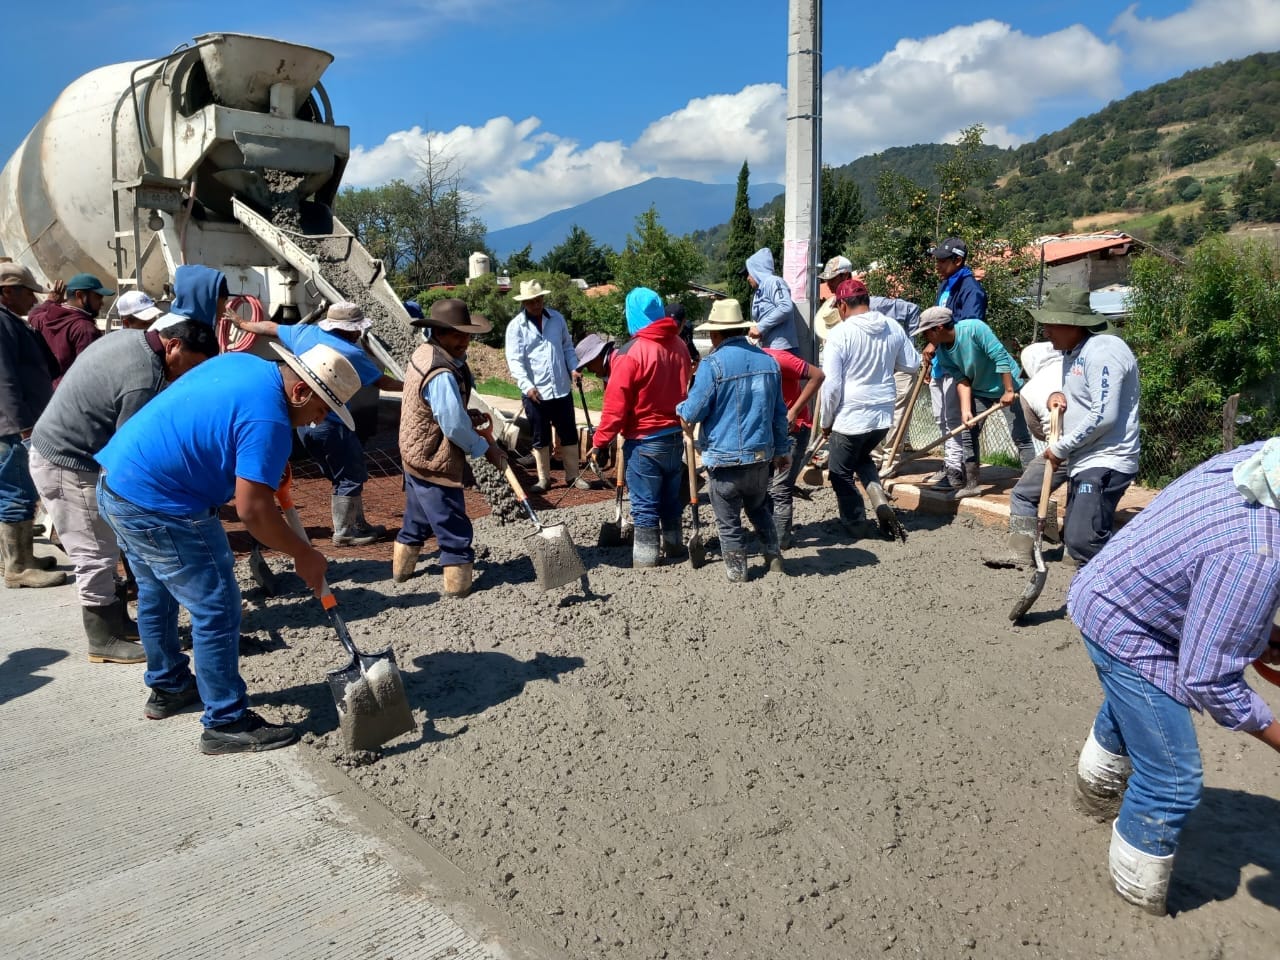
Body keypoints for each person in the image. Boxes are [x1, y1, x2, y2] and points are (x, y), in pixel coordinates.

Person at [96, 343, 359, 754]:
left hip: (118, 483)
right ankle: (226, 721)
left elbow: (213, 426)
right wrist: (303, 553)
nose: (319, 420)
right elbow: (252, 511)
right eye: (323, 408)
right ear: (301, 392)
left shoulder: (245, 364)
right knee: (216, 606)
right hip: (164, 505)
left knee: (157, 591)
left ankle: (169, 687)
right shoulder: (269, 420)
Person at [1067, 439, 1280, 916]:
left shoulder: (1255, 460)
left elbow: (1207, 572)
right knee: (1174, 780)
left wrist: (1260, 628)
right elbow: (1209, 679)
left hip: (1119, 583)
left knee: (1133, 707)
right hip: (1125, 623)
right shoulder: (1259, 553)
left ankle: (1094, 794)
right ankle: (1135, 895)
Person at [29, 319, 218, 662]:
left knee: (106, 543)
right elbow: (131, 454)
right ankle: (101, 638)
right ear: (173, 345)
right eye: (190, 366)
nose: (187, 376)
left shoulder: (132, 339)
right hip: (68, 462)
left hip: (67, 448)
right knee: (95, 553)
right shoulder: (143, 381)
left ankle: (119, 622)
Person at [230, 302, 404, 546]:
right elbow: (382, 382)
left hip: (305, 423)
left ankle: (356, 523)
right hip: (329, 422)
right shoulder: (351, 353)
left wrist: (243, 324)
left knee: (342, 474)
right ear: (351, 330)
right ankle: (345, 531)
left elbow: (270, 327)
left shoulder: (305, 333)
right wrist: (413, 385)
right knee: (350, 475)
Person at [395, 299, 507, 595]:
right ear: (439, 333)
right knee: (452, 522)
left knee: (416, 519)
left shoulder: (424, 352)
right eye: (457, 335)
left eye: (467, 334)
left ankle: (401, 573)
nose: (464, 341)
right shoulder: (441, 371)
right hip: (433, 455)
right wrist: (485, 449)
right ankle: (458, 587)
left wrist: (463, 413)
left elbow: (441, 408)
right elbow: (453, 425)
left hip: (413, 450)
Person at [677, 298, 790, 581]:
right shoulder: (768, 362)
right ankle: (774, 558)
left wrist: (680, 409)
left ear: (715, 334)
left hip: (724, 461)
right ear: (740, 329)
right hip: (760, 458)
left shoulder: (712, 365)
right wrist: (783, 450)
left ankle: (737, 572)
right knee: (759, 509)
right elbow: (779, 413)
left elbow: (693, 410)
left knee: (728, 521)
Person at [588, 288, 690, 568]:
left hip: (644, 441)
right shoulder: (679, 345)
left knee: (645, 506)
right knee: (670, 501)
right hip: (673, 437)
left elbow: (616, 406)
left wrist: (600, 441)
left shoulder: (630, 353)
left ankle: (646, 562)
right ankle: (675, 547)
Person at [1040, 288, 1140, 565]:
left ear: (1071, 323)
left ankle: (1132, 588)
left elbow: (1103, 415)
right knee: (1079, 538)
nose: (1046, 331)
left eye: (1050, 324)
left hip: (1107, 459)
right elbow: (1082, 397)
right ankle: (1096, 593)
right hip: (1085, 459)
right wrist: (1057, 396)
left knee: (1083, 540)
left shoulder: (1104, 350)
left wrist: (1061, 448)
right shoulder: (1074, 351)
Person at [819, 278, 921, 538]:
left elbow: (831, 386)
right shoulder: (892, 326)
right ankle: (879, 501)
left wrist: (826, 421)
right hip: (882, 414)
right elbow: (911, 364)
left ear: (842, 306)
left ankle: (855, 523)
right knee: (862, 457)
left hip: (850, 415)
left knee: (840, 473)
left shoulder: (839, 334)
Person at [914, 305, 1035, 499]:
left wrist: (1009, 390)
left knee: (1020, 435)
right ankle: (971, 484)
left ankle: (1031, 485)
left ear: (939, 328)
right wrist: (965, 411)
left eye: (926, 332)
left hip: (1007, 384)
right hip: (979, 390)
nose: (925, 338)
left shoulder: (974, 328)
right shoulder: (943, 355)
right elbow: (962, 381)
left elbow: (1000, 356)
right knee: (968, 433)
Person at [814, 256, 922, 461]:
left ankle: (889, 457)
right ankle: (875, 459)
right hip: (874, 390)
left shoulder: (878, 306)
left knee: (896, 412)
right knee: (867, 447)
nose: (828, 284)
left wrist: (904, 349)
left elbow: (912, 311)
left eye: (832, 279)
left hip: (892, 372)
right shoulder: (836, 311)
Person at [0, 262, 65, 588]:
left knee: (15, 491)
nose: (32, 300)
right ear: (7, 291)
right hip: (11, 428)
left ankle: (19, 559)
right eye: (28, 293)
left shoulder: (11, 321)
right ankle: (18, 567)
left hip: (15, 424)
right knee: (16, 492)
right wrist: (22, 425)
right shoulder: (1, 323)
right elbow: (4, 379)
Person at [981, 337, 1066, 569]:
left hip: (1062, 450)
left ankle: (1020, 552)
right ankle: (1072, 556)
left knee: (1023, 493)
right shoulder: (1075, 370)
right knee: (1080, 496)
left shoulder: (1030, 388)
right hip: (1096, 448)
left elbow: (1039, 433)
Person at [505, 279, 586, 493]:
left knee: (568, 432)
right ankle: (544, 479)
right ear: (524, 303)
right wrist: (527, 385)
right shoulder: (516, 327)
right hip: (535, 392)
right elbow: (515, 360)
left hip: (560, 388)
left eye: (539, 299)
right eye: (531, 301)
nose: (536, 304)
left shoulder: (557, 319)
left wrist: (574, 368)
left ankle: (573, 476)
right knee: (540, 436)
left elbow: (567, 347)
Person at [923, 238, 987, 492]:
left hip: (956, 362)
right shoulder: (946, 285)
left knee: (954, 418)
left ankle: (955, 472)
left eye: (942, 260)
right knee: (941, 417)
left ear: (958, 260)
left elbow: (967, 327)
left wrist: (936, 344)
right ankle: (950, 462)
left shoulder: (971, 289)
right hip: (941, 361)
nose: (937, 265)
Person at [761, 339, 823, 550]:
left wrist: (794, 411)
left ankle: (780, 542)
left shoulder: (779, 359)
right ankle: (769, 536)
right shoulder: (746, 364)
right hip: (769, 433)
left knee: (780, 488)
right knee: (766, 486)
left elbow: (818, 375)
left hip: (793, 429)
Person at [27, 273, 113, 386]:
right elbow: (89, 375)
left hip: (50, 393)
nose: (101, 303)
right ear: (80, 296)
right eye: (98, 297)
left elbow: (33, 316)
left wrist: (51, 301)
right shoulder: (85, 329)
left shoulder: (46, 319)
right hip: (73, 396)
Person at [744, 248, 800, 354]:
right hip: (769, 348)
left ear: (757, 269)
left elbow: (785, 307)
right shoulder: (759, 290)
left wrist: (760, 327)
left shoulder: (773, 281)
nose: (748, 278)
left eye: (749, 273)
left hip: (783, 349)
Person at [149, 264, 228, 331]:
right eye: (222, 304)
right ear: (206, 303)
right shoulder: (194, 337)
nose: (224, 311)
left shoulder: (163, 323)